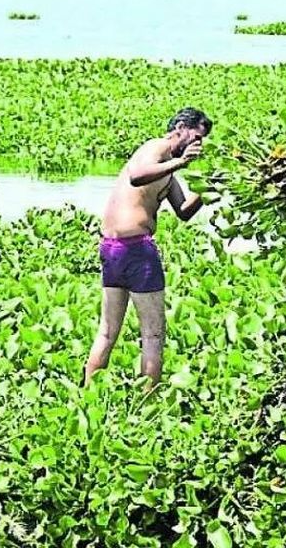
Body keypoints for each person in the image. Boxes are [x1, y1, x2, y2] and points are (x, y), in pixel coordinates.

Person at [84, 108, 212, 386]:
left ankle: (88, 395)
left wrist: (209, 188)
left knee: (107, 332)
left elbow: (184, 212)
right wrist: (180, 163)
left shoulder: (167, 172)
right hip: (136, 251)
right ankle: (146, 401)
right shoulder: (157, 147)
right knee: (152, 335)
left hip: (113, 249)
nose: (198, 145)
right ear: (180, 127)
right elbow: (137, 175)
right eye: (196, 137)